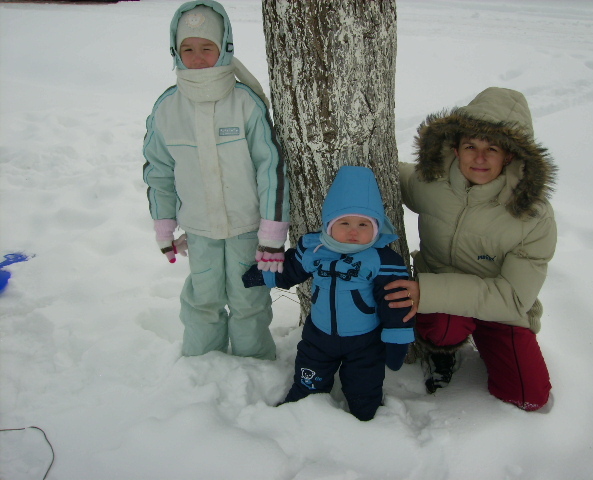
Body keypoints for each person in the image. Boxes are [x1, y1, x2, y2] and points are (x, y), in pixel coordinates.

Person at [385, 87, 558, 411]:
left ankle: (485, 341)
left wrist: (429, 292)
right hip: (441, 308)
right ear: (456, 147)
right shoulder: (430, 182)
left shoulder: (532, 215)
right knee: (443, 326)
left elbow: (514, 298)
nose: (479, 158)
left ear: (510, 154)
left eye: (492, 148)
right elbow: (386, 171)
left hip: (499, 310)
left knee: (527, 394)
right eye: (471, 146)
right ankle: (440, 353)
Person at [143, 1, 289, 360]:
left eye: (206, 47)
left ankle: (252, 365)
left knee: (249, 299)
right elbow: (158, 170)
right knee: (203, 298)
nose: (196, 57)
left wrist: (271, 236)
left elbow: (271, 167)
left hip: (246, 228)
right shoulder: (167, 108)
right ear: (175, 52)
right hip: (200, 230)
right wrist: (164, 228)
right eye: (187, 49)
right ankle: (201, 363)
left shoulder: (245, 103)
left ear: (224, 47)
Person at [242, 166, 415, 421]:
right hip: (319, 337)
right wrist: (264, 274)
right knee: (308, 378)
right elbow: (291, 270)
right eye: (344, 222)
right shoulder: (315, 248)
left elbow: (395, 301)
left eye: (363, 224)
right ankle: (300, 409)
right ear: (329, 223)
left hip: (365, 342)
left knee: (364, 387)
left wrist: (397, 338)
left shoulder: (382, 259)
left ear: (377, 226)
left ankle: (365, 415)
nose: (353, 231)